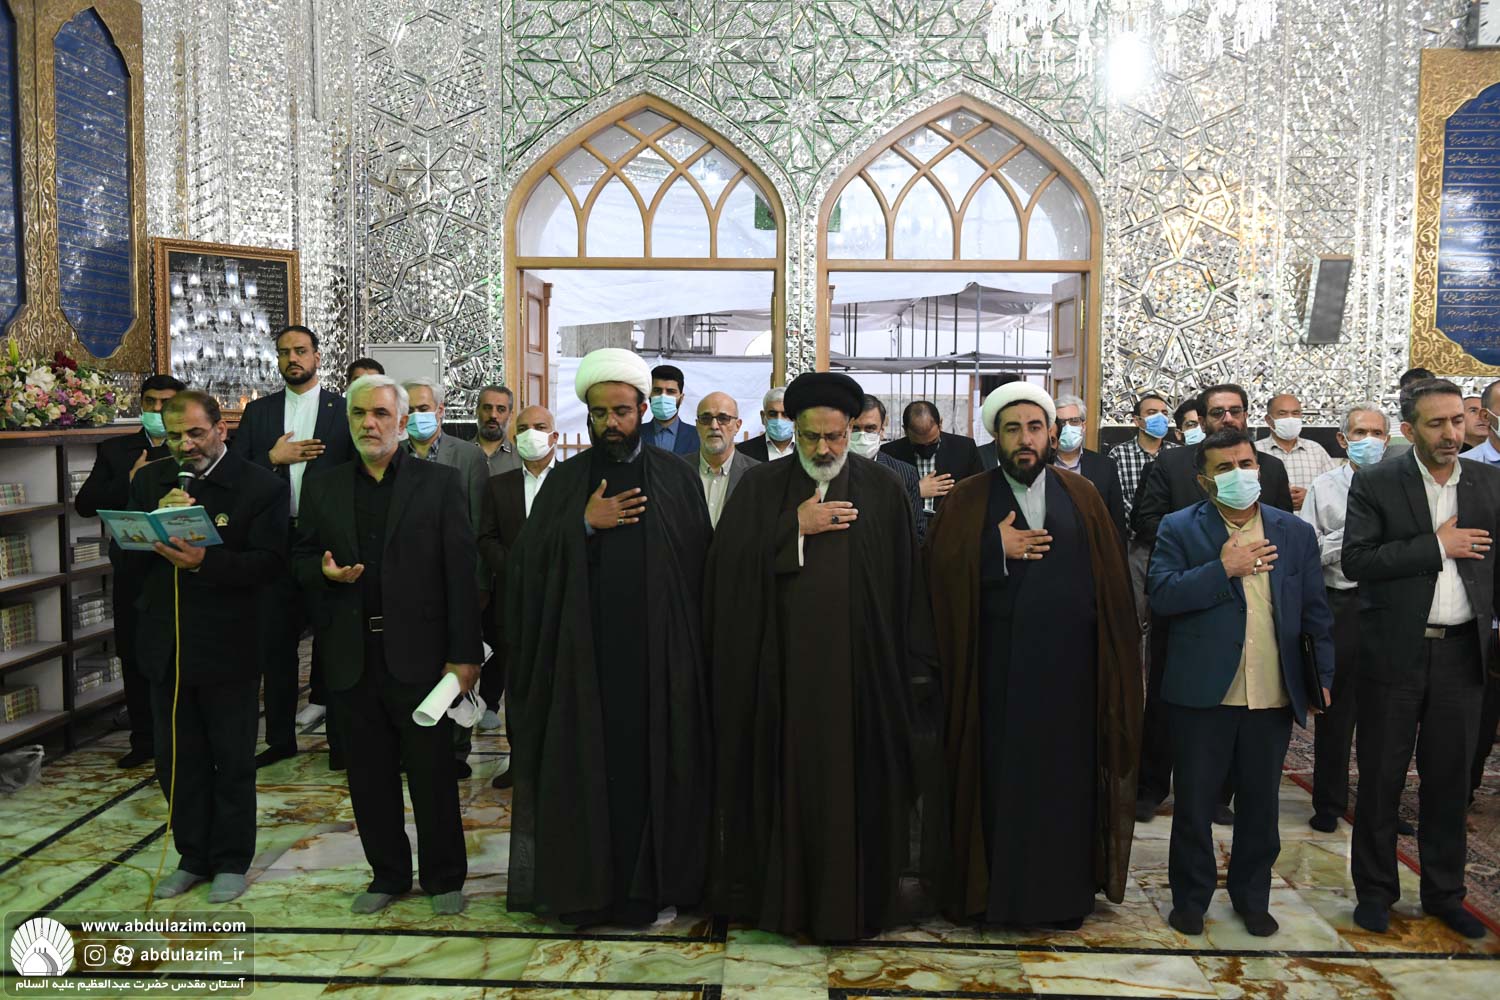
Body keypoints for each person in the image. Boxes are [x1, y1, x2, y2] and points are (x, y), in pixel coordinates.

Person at [705, 371, 943, 941]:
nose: (823, 449)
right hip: (781, 684)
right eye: (811, 437)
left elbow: (906, 584)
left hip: (863, 683)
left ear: (852, 429)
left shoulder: (882, 488)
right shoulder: (761, 488)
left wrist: (911, 673)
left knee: (860, 796)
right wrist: (792, 528)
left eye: (835, 436)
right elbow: (724, 572)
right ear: (793, 430)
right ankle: (784, 902)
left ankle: (856, 903)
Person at [505, 348, 713, 925]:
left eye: (621, 411)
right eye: (599, 413)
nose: (610, 423)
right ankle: (588, 891)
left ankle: (651, 888)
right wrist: (581, 526)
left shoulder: (677, 477)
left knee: (652, 774)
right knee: (588, 776)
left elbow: (702, 567)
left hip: (658, 663)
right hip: (584, 662)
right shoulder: (567, 482)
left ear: (644, 409)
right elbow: (524, 567)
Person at [926, 382, 1140, 929]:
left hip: (1071, 677)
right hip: (995, 676)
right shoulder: (969, 497)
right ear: (995, 437)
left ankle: (1060, 898)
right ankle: (993, 897)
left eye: (1035, 428)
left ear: (1052, 433)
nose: (1025, 439)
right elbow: (934, 576)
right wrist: (991, 550)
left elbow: (1111, 578)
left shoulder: (1082, 493)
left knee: (1064, 787)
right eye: (1013, 429)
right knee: (1000, 783)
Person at [293, 375, 481, 916]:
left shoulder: (439, 483)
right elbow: (299, 557)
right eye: (359, 414)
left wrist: (465, 655)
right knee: (368, 777)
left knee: (432, 775)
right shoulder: (324, 485)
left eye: (379, 413)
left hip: (422, 658)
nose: (369, 424)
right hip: (352, 657)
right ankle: (388, 874)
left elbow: (462, 574)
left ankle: (444, 877)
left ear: (401, 422)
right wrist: (322, 572)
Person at [1148, 429, 1334, 938]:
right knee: (1194, 804)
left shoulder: (1293, 532)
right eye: (1225, 468)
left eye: (1246, 463)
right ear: (1204, 480)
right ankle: (1191, 898)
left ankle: (1253, 898)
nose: (1240, 474)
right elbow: (1161, 595)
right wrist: (1222, 569)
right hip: (1203, 690)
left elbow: (1315, 611)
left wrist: (1322, 677)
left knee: (1260, 805)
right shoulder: (1179, 527)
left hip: (1272, 690)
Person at [1342, 378, 1500, 940]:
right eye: (1437, 424)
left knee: (1449, 782)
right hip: (1395, 654)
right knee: (1382, 777)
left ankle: (1444, 894)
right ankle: (1375, 893)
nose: (1452, 433)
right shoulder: (1378, 482)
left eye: (1458, 420)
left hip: (1462, 655)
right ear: (1409, 430)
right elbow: (1358, 560)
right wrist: (1437, 546)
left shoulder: (1488, 482)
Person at [130, 391, 289, 903]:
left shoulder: (259, 486)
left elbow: (271, 563)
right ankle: (192, 855)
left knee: (231, 758)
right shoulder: (151, 481)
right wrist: (151, 527)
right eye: (175, 436)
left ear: (222, 430)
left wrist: (206, 562)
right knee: (177, 760)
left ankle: (231, 859)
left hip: (229, 643)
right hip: (167, 642)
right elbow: (122, 555)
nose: (185, 445)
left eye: (196, 433)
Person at [1131, 384, 1296, 824]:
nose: (1227, 418)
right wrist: (1212, 559)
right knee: (1166, 700)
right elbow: (1146, 520)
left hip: (1253, 606)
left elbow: (1282, 531)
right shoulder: (1172, 464)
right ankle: (1150, 787)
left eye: (1235, 411)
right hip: (1187, 603)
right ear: (1202, 419)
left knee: (1240, 706)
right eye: (1218, 412)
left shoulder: (1269, 468)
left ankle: (1221, 794)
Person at [231, 325, 354, 767]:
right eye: (284, 352)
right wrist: (272, 459)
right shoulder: (258, 412)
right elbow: (235, 472)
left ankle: (342, 742)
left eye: (300, 351)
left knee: (335, 645)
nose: (292, 359)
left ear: (318, 356)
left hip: (326, 542)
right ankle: (280, 739)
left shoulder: (344, 409)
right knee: (276, 647)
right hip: (274, 543)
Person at [75, 374, 185, 769]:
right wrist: (130, 481)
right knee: (134, 653)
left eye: (166, 403)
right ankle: (143, 739)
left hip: (179, 564)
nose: (157, 410)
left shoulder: (188, 445)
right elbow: (85, 504)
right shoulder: (116, 449)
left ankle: (181, 736)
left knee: (177, 654)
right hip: (132, 565)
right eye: (150, 402)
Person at [1299, 404, 1400, 834]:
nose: (1369, 440)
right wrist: (1354, 538)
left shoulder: (1403, 486)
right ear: (1343, 439)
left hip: (1390, 607)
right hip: (1341, 604)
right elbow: (1308, 550)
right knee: (1336, 711)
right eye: (1360, 432)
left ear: (1389, 439)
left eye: (1377, 433)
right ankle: (1329, 802)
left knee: (1390, 714)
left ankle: (1382, 808)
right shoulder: (1324, 487)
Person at [401, 377, 490, 779]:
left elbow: (477, 523)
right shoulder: (395, 455)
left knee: (459, 662)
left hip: (456, 578)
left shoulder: (467, 456)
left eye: (423, 408)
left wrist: (477, 584)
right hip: (408, 584)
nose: (416, 416)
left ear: (439, 411)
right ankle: (414, 745)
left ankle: (457, 749)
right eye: (409, 409)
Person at [476, 404, 558, 788]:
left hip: (561, 599)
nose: (530, 433)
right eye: (523, 427)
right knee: (518, 686)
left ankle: (557, 766)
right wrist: (514, 568)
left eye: (539, 426)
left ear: (554, 435)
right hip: (513, 602)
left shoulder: (572, 482)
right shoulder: (499, 486)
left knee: (560, 685)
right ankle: (519, 762)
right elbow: (486, 537)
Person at [1464, 379, 1500, 804]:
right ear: (1488, 416)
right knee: (1478, 719)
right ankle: (1463, 792)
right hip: (1484, 614)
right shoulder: (1467, 470)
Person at [1047, 393, 1128, 547]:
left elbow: (1116, 521)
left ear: (1083, 426)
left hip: (1094, 548)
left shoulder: (1105, 466)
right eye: (1061, 422)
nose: (1067, 427)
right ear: (1052, 429)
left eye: (1074, 421)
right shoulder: (1040, 464)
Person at [881, 401, 983, 519]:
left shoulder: (965, 448)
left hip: (952, 524)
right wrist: (916, 491)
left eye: (933, 442)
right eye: (918, 445)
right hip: (907, 525)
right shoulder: (889, 453)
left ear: (940, 424)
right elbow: (883, 499)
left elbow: (979, 491)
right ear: (905, 430)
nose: (926, 448)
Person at [848, 394, 924, 543]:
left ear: (882, 430)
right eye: (855, 428)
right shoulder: (828, 470)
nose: (862, 436)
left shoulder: (904, 474)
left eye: (870, 428)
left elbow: (916, 532)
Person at [1106, 393, 1175, 527]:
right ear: (1137, 420)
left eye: (1164, 413)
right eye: (1152, 412)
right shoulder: (1119, 454)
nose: (1160, 417)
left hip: (1171, 532)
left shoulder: (1176, 453)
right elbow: (1117, 499)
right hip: (1131, 532)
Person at [692, 392, 759, 528]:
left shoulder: (758, 475)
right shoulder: (677, 471)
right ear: (697, 426)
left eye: (723, 418)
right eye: (706, 418)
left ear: (737, 426)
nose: (714, 426)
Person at [1257, 394, 1334, 510]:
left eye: (1295, 413)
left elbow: (1335, 489)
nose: (1290, 418)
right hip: (1269, 519)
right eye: (1282, 414)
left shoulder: (1316, 450)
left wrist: (1311, 497)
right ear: (1269, 420)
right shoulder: (1255, 451)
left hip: (1308, 520)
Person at [643, 363, 700, 456]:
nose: (663, 397)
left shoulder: (698, 435)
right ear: (649, 395)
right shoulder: (634, 434)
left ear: (681, 398)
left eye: (670, 392)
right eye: (657, 391)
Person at [1380, 367, 1435, 464]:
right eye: (1413, 392)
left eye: (1425, 392)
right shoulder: (1385, 427)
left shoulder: (1444, 427)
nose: (1420, 397)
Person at [739, 387, 796, 462]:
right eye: (773, 414)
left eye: (785, 414)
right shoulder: (742, 452)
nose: (779, 420)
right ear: (763, 416)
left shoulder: (809, 449)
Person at [475, 384, 521, 476]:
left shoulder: (521, 460)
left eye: (501, 409)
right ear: (477, 411)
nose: (493, 415)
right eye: (487, 408)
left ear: (510, 415)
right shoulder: (459, 455)